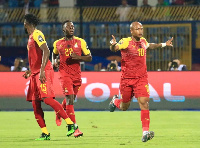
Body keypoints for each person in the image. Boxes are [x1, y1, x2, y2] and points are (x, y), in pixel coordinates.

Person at [109, 22, 173, 142]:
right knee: (124, 106)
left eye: (141, 28)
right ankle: (115, 101)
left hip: (141, 79)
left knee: (144, 102)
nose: (140, 30)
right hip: (127, 80)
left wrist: (164, 44)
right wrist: (113, 45)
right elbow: (115, 48)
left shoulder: (143, 41)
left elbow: (150, 46)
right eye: (137, 29)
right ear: (131, 31)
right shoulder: (126, 41)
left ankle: (145, 132)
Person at [22, 13, 76, 140]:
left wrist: (41, 71)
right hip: (35, 73)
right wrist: (31, 71)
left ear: (26, 23)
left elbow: (46, 50)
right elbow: (36, 57)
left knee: (47, 99)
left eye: (24, 23)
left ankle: (70, 123)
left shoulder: (37, 34)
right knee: (35, 104)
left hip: (44, 71)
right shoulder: (30, 38)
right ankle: (45, 133)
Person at [52, 20, 92, 137]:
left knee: (71, 98)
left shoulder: (80, 42)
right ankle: (74, 128)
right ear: (63, 29)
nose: (72, 28)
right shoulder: (57, 43)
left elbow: (89, 58)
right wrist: (54, 62)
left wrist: (78, 57)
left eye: (73, 26)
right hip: (64, 74)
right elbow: (54, 54)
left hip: (77, 75)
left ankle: (59, 112)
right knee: (69, 99)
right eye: (69, 27)